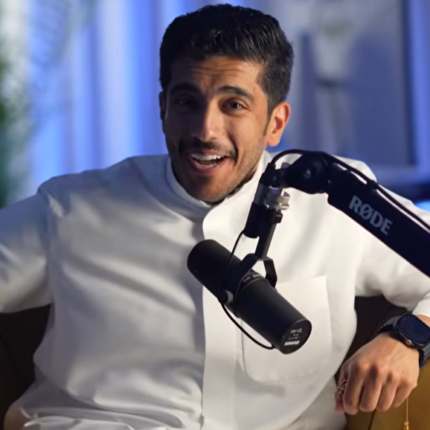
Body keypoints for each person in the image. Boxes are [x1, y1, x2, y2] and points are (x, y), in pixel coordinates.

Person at [2, 4, 430, 430]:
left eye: (234, 105)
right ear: (163, 109)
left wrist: (409, 336)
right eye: (187, 101)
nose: (205, 130)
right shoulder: (71, 208)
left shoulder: (338, 201)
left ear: (276, 123)